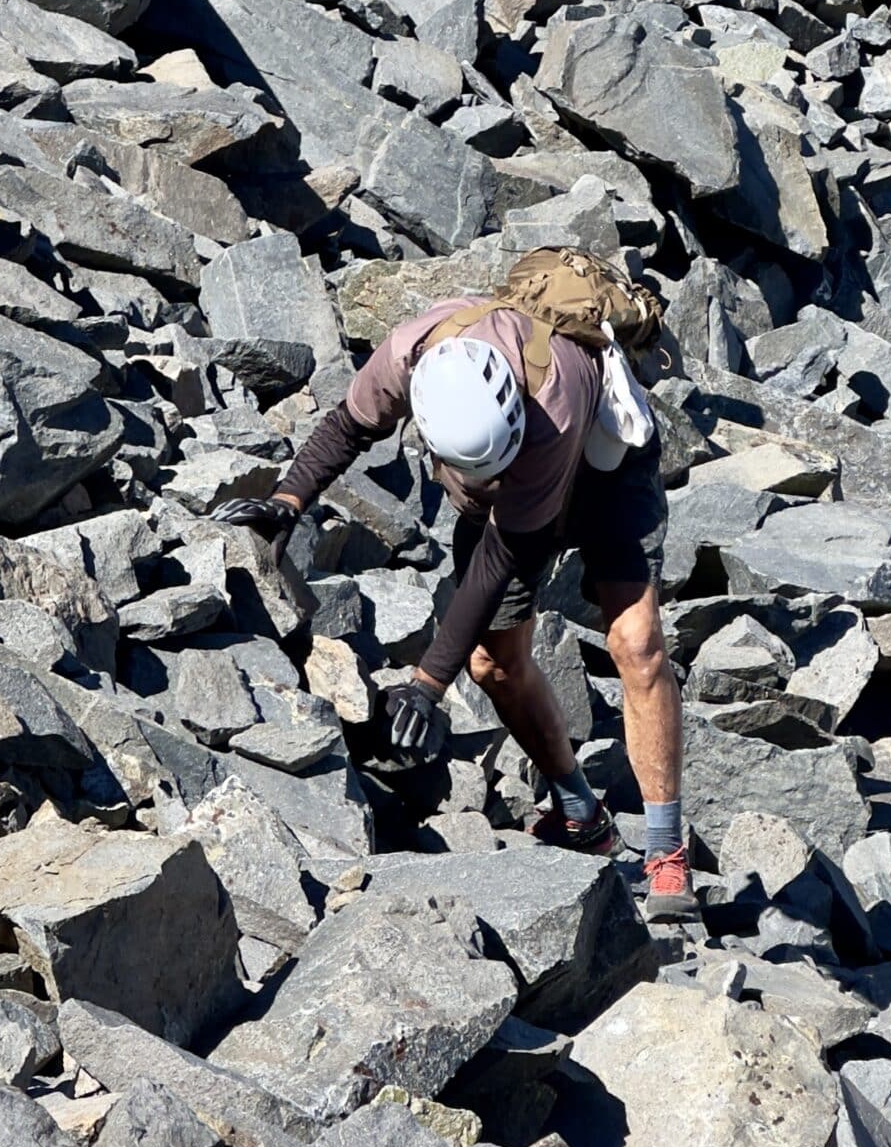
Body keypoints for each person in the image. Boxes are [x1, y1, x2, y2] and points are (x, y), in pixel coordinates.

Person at [220, 289, 694, 917]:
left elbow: (501, 559)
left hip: (604, 459)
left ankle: (665, 857)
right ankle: (581, 813)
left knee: (637, 645)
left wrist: (424, 684)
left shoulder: (551, 396)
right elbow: (348, 426)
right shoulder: (411, 353)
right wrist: (287, 501)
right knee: (492, 665)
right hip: (506, 489)